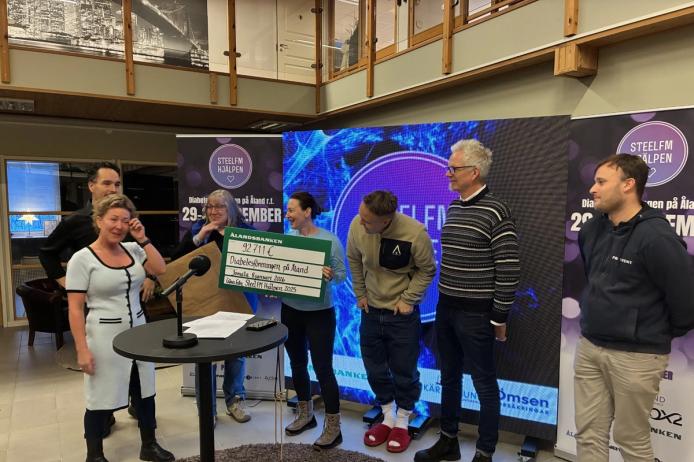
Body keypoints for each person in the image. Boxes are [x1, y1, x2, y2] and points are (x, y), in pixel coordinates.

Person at [572, 154, 694, 462]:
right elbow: (594, 278)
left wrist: (650, 331)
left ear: (628, 185)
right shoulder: (591, 230)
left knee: (631, 439)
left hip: (637, 356)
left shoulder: (656, 237)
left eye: (601, 182)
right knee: (588, 434)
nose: (592, 189)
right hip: (590, 348)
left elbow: (686, 300)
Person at [415, 139, 520, 462]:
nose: (448, 173)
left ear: (474, 172)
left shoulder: (496, 211)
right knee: (448, 376)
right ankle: (449, 442)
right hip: (446, 307)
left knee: (484, 384)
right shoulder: (455, 207)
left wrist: (499, 317)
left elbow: (509, 268)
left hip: (477, 314)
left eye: (453, 168)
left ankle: (484, 453)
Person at [39, 161, 155, 434]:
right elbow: (47, 252)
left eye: (117, 184)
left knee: (139, 367)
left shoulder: (126, 215)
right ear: (91, 186)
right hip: (99, 308)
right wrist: (66, 282)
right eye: (107, 183)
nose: (113, 188)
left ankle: (139, 409)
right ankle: (104, 414)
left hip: (132, 305)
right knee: (104, 367)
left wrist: (150, 276)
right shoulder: (75, 222)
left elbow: (147, 252)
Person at [66, 194, 173, 462]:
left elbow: (160, 268)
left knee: (145, 390)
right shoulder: (82, 259)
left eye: (125, 220)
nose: (119, 226)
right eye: (113, 219)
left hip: (139, 332)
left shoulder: (133, 249)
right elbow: (75, 308)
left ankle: (149, 445)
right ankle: (95, 455)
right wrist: (81, 350)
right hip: (104, 337)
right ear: (99, 220)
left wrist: (143, 238)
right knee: (99, 395)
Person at [346, 190, 436, 453]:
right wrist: (360, 294)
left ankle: (402, 421)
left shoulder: (415, 233)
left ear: (386, 220)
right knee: (374, 368)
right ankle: (386, 417)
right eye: (361, 216)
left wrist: (409, 298)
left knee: (404, 370)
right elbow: (354, 258)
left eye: (368, 221)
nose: (361, 223)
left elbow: (427, 269)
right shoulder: (357, 224)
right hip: (370, 312)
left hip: (402, 316)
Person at [173, 189, 254, 425]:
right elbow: (177, 259)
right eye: (210, 206)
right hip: (205, 302)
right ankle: (207, 409)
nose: (214, 211)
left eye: (220, 206)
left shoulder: (245, 230)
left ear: (231, 209)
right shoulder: (198, 229)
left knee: (236, 354)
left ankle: (235, 400)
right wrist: (201, 235)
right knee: (205, 356)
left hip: (238, 302)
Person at [281, 192, 346, 450]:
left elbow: (341, 276)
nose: (287, 215)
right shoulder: (288, 238)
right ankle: (305, 415)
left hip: (320, 314)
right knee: (297, 364)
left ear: (307, 212)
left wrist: (329, 275)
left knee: (323, 369)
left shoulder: (329, 240)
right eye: (287, 210)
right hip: (290, 310)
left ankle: (334, 428)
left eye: (291, 210)